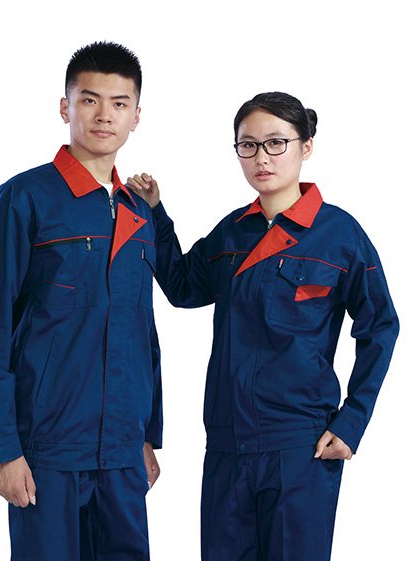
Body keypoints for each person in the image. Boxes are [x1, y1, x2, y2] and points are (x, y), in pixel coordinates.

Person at [127, 91, 399, 561]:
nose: (261, 158)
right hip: (226, 444)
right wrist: (155, 214)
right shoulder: (233, 232)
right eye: (248, 145)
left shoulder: (339, 235)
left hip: (300, 446)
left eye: (276, 143)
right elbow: (183, 287)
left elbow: (382, 326)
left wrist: (352, 421)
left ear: (306, 146)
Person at [0, 41, 162, 561]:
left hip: (123, 449)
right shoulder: (25, 197)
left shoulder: (138, 210)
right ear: (65, 107)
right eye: (89, 100)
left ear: (136, 116)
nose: (104, 115)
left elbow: (142, 331)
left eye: (120, 103)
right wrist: (4, 448)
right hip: (48, 449)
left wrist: (147, 435)